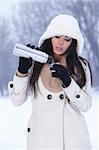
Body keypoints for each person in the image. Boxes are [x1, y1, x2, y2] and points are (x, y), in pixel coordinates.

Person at [8, 14, 92, 150]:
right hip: (42, 139)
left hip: (73, 141)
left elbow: (86, 105)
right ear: (50, 37)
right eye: (57, 36)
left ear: (73, 42)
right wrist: (22, 71)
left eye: (67, 39)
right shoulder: (36, 63)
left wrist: (68, 82)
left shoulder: (81, 66)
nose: (60, 43)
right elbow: (17, 100)